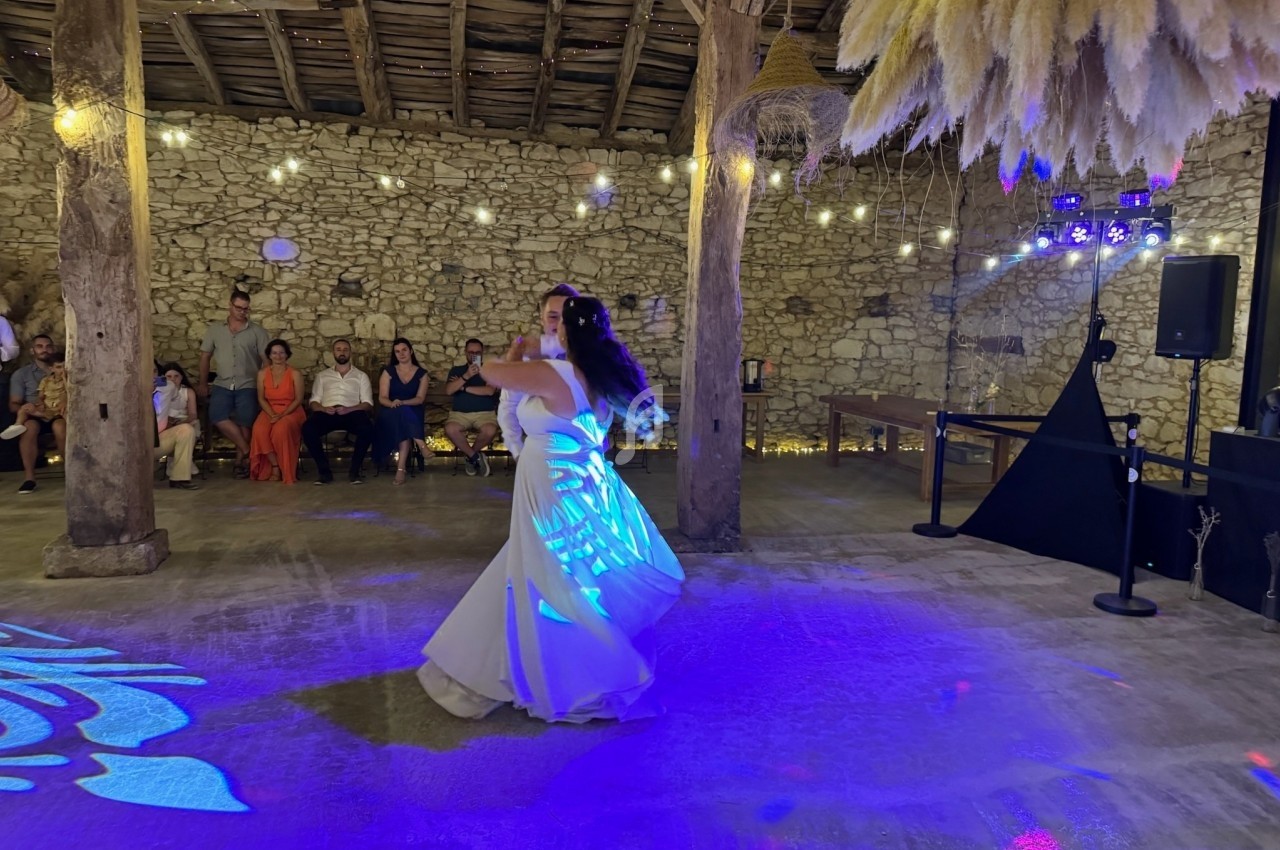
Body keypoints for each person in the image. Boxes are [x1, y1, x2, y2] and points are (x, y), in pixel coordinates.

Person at [417, 296, 684, 723]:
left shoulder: (555, 371)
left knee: (554, 576)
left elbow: (489, 372)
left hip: (554, 485)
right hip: (577, 479)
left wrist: (517, 354)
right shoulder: (596, 373)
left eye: (559, 322)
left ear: (566, 332)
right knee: (543, 569)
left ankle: (585, 672)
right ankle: (510, 657)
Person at [497, 283, 578, 461]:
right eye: (553, 317)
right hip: (540, 458)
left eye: (567, 317)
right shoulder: (525, 360)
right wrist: (517, 451)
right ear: (542, 318)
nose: (560, 324)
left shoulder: (592, 359)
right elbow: (509, 407)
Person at [198, 290, 271, 479]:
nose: (242, 312)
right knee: (217, 415)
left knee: (245, 421)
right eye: (238, 308)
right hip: (222, 382)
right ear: (230, 306)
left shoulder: (257, 332)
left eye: (246, 309)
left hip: (248, 383)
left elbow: (266, 361)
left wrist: (266, 385)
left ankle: (241, 462)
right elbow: (205, 356)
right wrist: (202, 382)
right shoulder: (215, 329)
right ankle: (248, 450)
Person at [301, 338, 375, 485]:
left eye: (345, 350)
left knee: (367, 429)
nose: (342, 352)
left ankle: (354, 472)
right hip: (328, 412)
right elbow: (314, 401)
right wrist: (323, 408)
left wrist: (350, 408)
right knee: (308, 429)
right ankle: (324, 472)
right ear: (333, 353)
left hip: (352, 411)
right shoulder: (322, 376)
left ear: (350, 353)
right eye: (339, 349)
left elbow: (368, 403)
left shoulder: (361, 376)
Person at [6, 334, 63, 494]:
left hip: (57, 412)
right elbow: (13, 403)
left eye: (48, 346)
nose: (44, 350)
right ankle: (29, 478)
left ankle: (71, 472)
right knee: (29, 427)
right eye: (40, 346)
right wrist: (28, 408)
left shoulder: (63, 369)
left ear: (54, 349)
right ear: (32, 350)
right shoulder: (21, 374)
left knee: (60, 426)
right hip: (33, 414)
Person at [375, 337, 433, 485]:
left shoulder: (422, 374)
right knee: (402, 415)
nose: (401, 354)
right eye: (397, 351)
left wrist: (402, 403)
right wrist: (394, 404)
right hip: (390, 411)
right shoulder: (388, 372)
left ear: (411, 351)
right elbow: (382, 398)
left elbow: (420, 398)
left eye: (404, 350)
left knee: (404, 415)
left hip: (412, 411)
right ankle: (422, 445)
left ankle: (401, 470)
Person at [248, 339, 306, 483]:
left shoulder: (295, 374)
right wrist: (272, 414)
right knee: (259, 430)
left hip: (291, 411)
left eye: (281, 353)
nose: (278, 356)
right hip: (270, 410)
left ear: (287, 355)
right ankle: (275, 466)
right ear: (269, 355)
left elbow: (298, 399)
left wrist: (282, 415)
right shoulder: (262, 373)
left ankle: (285, 469)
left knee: (281, 430)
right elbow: (261, 398)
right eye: (274, 353)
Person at [443, 338, 500, 477]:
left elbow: (489, 391)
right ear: (465, 353)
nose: (474, 355)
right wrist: (466, 376)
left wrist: (463, 388)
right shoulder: (457, 371)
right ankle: (475, 458)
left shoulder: (490, 370)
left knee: (490, 430)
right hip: (460, 414)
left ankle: (470, 458)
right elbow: (449, 390)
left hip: (485, 414)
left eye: (477, 353)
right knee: (450, 428)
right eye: (471, 352)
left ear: (482, 353)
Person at [153, 361, 199, 490]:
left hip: (158, 440)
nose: (152, 375)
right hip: (137, 444)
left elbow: (175, 399)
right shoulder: (133, 389)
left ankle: (179, 478)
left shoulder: (168, 387)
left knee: (186, 430)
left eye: (155, 371)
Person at [3, 349, 66, 440]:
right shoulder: (46, 380)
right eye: (59, 367)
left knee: (65, 419)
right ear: (51, 369)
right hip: (46, 409)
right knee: (25, 408)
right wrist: (40, 403)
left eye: (64, 366)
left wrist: (65, 378)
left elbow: (69, 391)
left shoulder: (68, 380)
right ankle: (17, 425)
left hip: (59, 410)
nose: (62, 370)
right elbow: (41, 395)